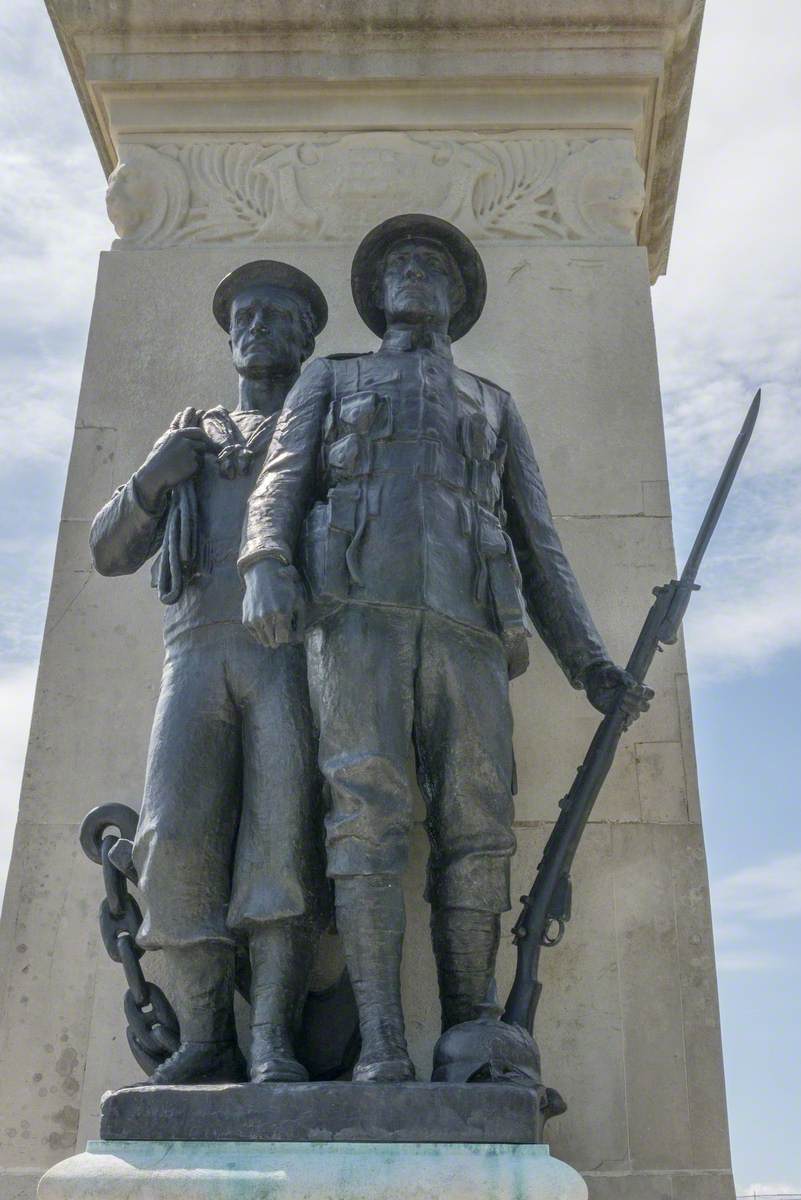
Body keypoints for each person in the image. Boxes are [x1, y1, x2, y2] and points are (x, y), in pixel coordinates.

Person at [238, 215, 651, 1083]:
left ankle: (472, 1040)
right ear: (378, 293)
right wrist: (265, 558)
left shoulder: (493, 404)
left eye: (433, 267)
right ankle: (381, 1042)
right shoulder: (331, 376)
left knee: (479, 825)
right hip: (354, 617)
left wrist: (589, 662)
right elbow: (280, 478)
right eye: (401, 265)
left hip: (468, 627)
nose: (417, 275)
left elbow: (540, 547)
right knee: (365, 817)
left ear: (458, 299)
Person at [90, 260, 329, 1085]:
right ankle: (205, 1036)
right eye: (246, 314)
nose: (258, 325)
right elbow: (107, 552)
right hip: (193, 651)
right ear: (229, 337)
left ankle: (269, 1040)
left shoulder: (320, 428)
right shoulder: (189, 436)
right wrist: (154, 476)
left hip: (290, 655)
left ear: (306, 339)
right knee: (174, 838)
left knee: (282, 845)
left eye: (279, 315)